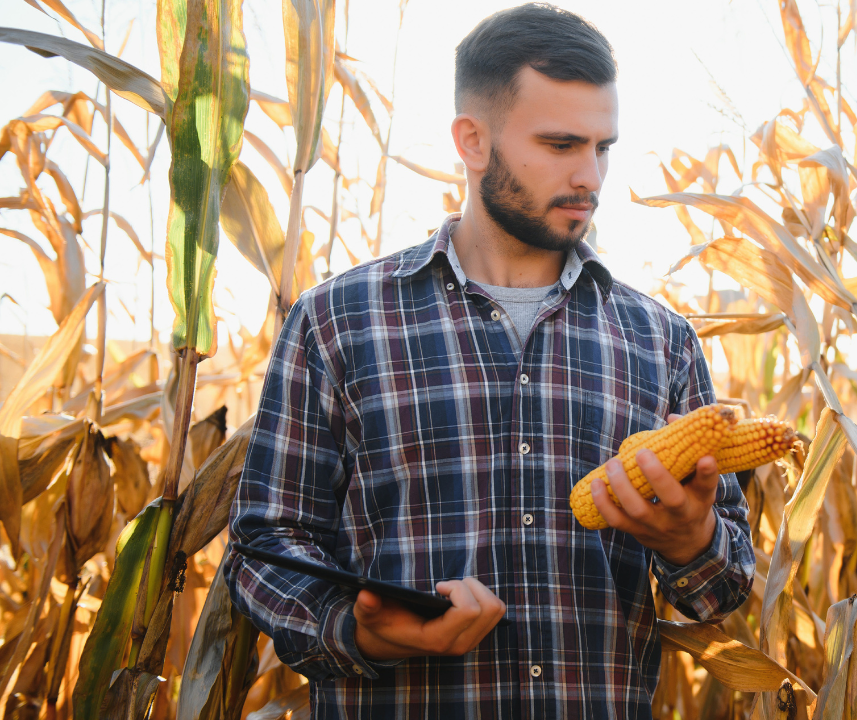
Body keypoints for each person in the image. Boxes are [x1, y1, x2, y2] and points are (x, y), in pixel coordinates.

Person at [225, 3, 754, 716]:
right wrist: (361, 632)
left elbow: (724, 590)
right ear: (473, 141)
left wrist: (692, 540)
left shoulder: (661, 341)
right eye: (561, 144)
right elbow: (263, 547)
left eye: (603, 147)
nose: (590, 177)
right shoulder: (338, 322)